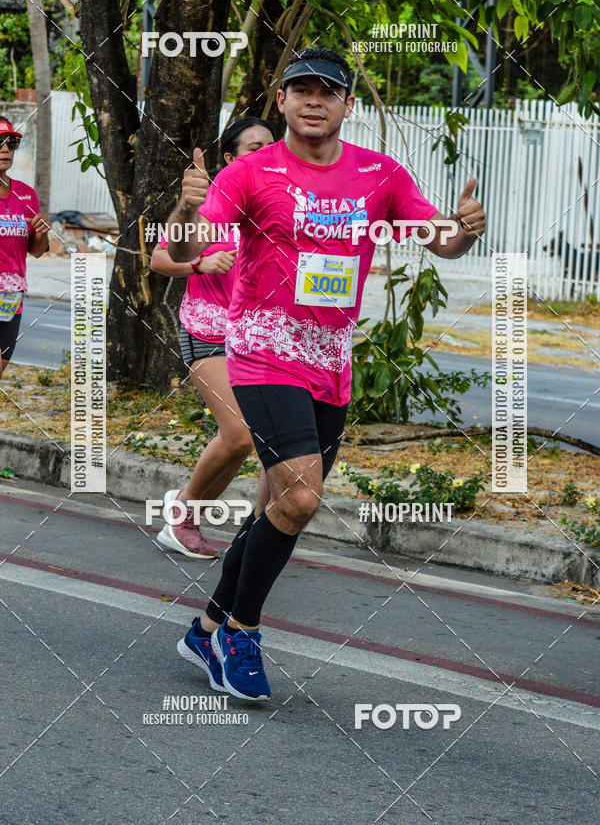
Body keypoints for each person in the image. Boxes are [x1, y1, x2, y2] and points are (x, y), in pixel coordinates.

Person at [169, 48, 487, 700]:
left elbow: (441, 239)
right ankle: (241, 634)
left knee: (281, 506)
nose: (314, 100)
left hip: (330, 363)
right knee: (304, 497)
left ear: (347, 105)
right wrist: (182, 212)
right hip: (259, 353)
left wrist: (465, 232)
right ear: (281, 100)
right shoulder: (251, 173)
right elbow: (188, 251)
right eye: (301, 89)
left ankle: (205, 629)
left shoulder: (380, 175)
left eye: (328, 91)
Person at [151, 117, 275, 560]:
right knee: (240, 434)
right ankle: (182, 515)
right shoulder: (213, 201)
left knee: (261, 440)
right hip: (208, 329)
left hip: (260, 335)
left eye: (270, 146)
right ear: (229, 159)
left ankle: (234, 529)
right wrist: (199, 266)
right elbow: (159, 258)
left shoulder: (280, 203)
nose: (264, 155)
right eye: (252, 148)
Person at [0, 117, 51, 378]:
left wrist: (42, 231)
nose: (6, 148)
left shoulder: (26, 194)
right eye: (0, 142)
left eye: (11, 142)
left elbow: (37, 250)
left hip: (10, 297)